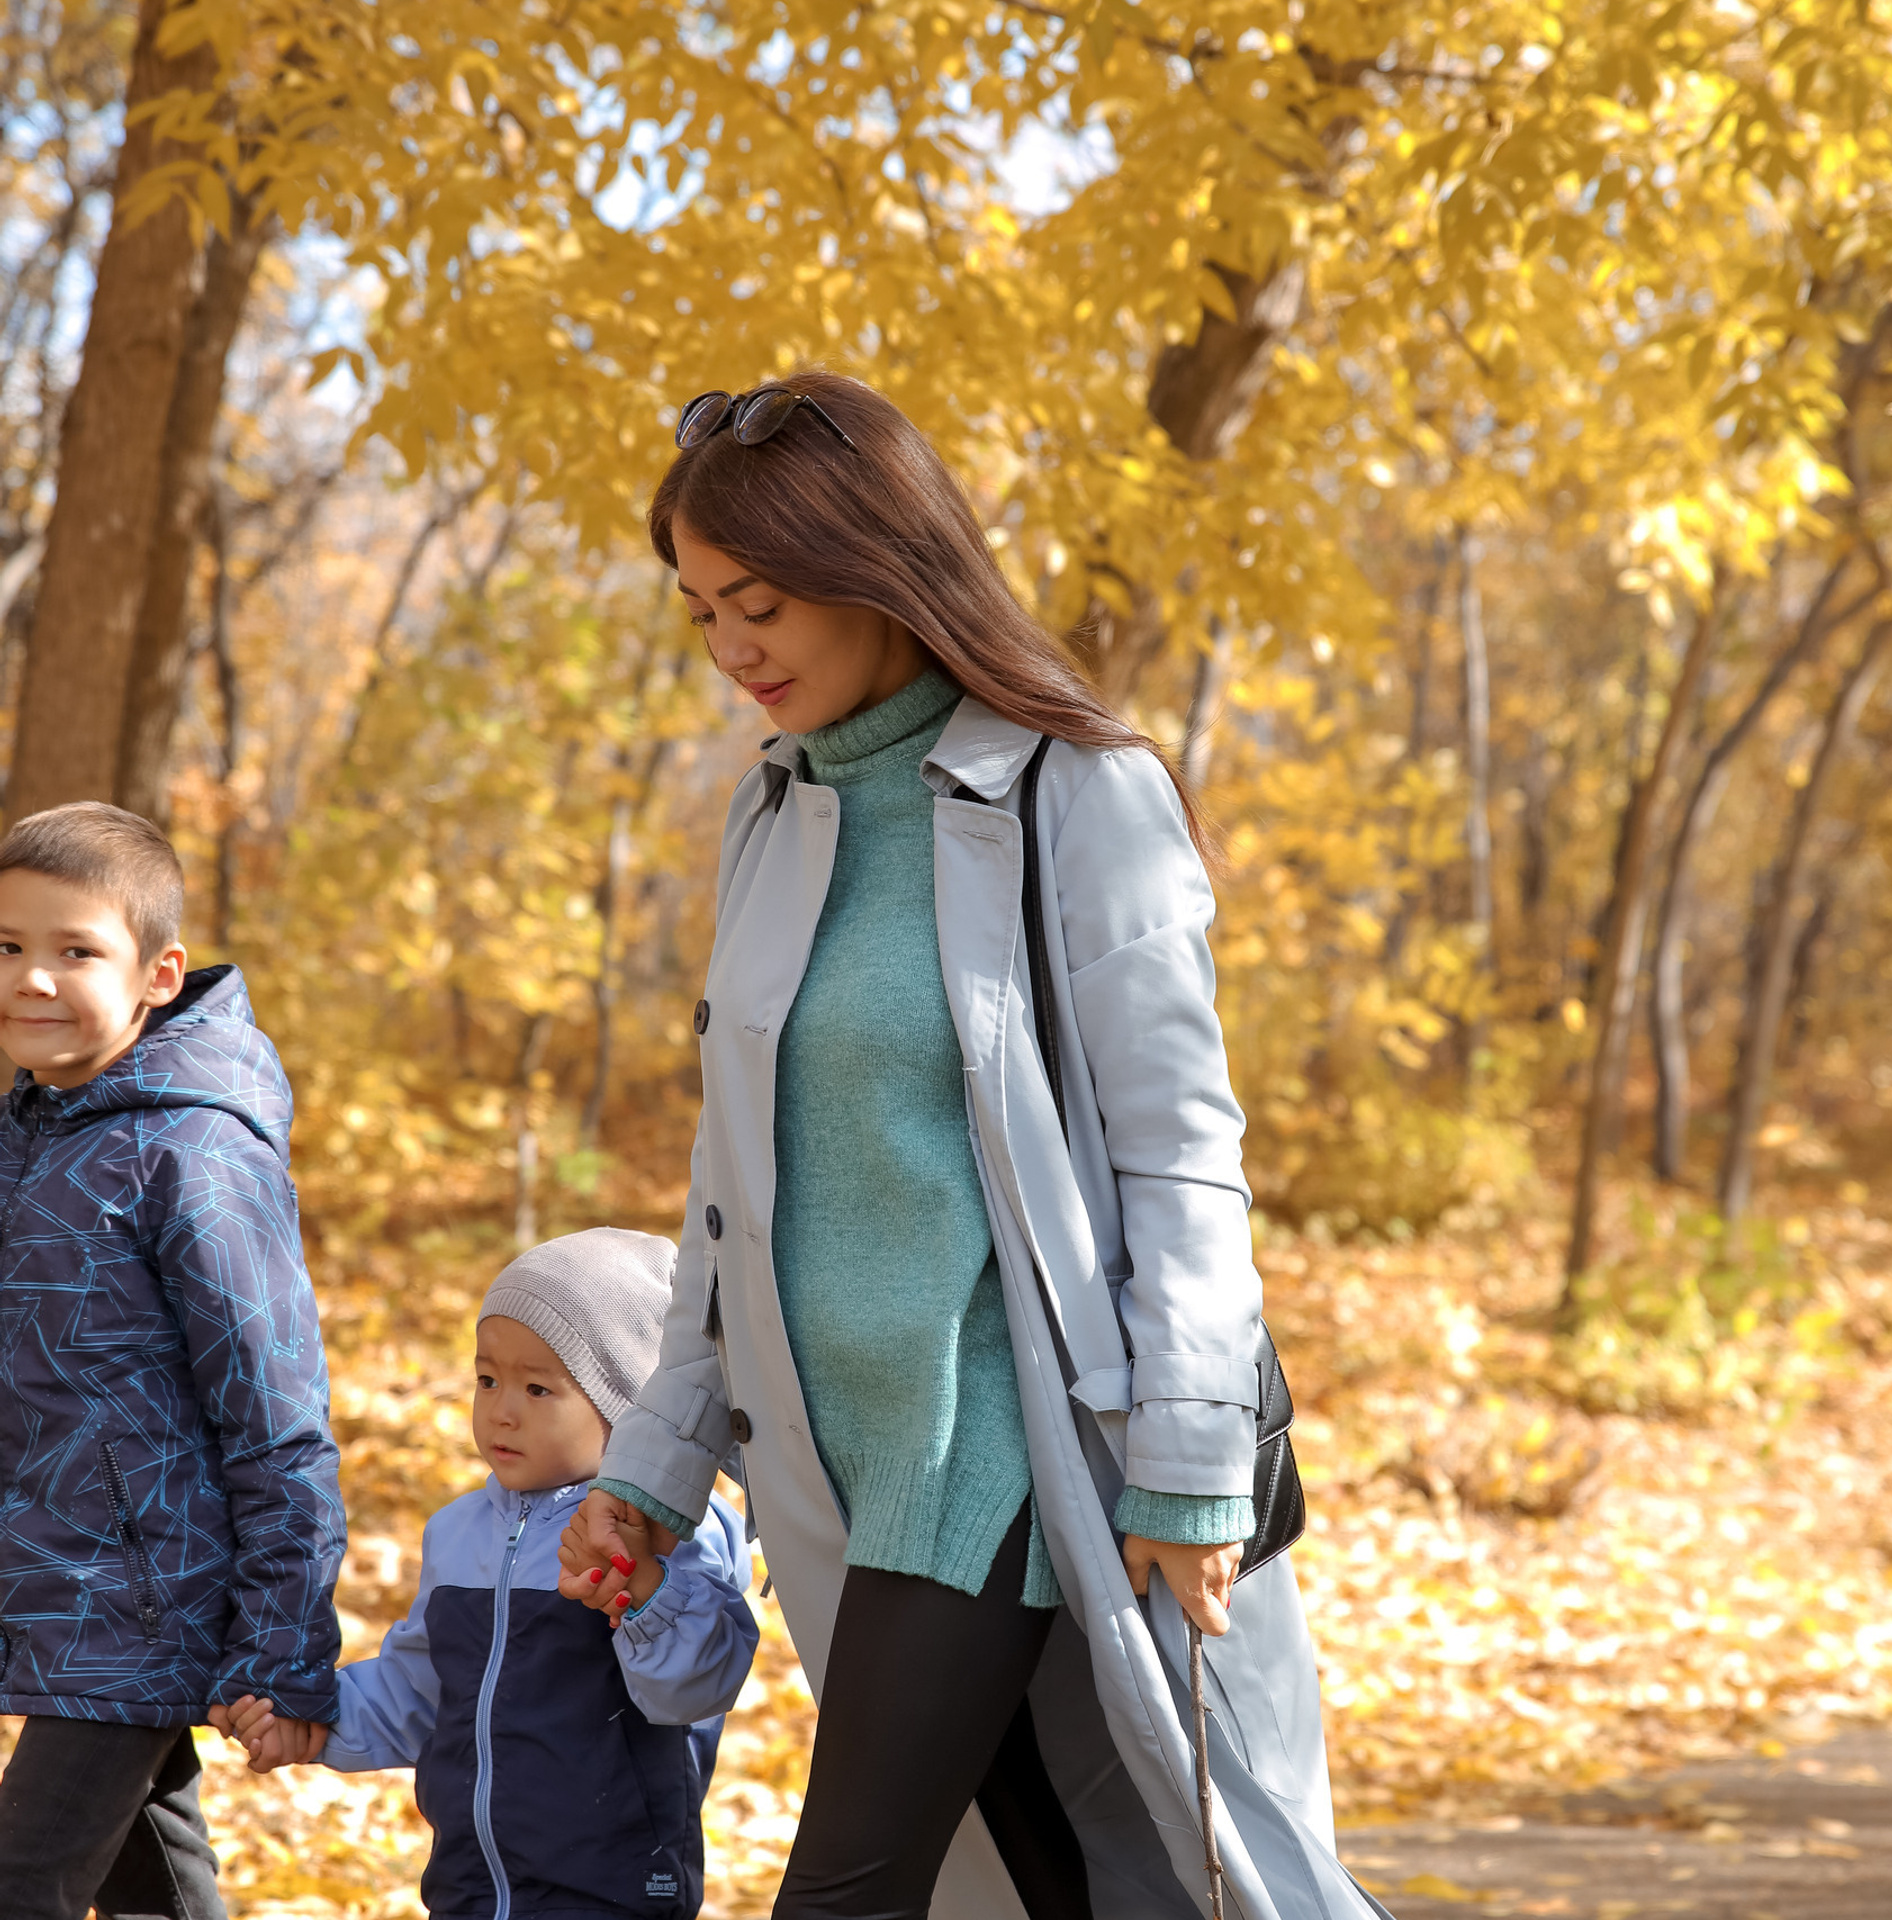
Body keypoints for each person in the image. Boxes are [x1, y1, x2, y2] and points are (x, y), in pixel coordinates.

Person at [556, 375, 1392, 1920]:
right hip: (841, 1456)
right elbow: (732, 1184)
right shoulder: (777, 811)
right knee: (1066, 1879)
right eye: (700, 615)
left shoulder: (1080, 793)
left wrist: (1194, 1468)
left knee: (853, 1888)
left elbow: (1182, 1157)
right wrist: (657, 1465)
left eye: (763, 602)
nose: (735, 649)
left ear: (880, 569)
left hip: (995, 1445)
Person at [0, 801, 346, 1920]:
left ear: (159, 973)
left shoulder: (192, 1151)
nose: (33, 980)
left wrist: (285, 1647)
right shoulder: (37, 1130)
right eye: (8, 947)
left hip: (145, 1603)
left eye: (75, 951)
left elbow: (276, 1411)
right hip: (68, 1592)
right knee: (154, 1880)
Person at [224, 1228, 758, 1920]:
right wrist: (320, 1724)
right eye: (486, 1379)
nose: (501, 1410)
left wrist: (643, 1588)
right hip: (469, 1887)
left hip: (613, 1888)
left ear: (628, 1403)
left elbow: (698, 1687)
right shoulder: (458, 1534)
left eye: (539, 1388)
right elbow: (419, 1690)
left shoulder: (667, 1528)